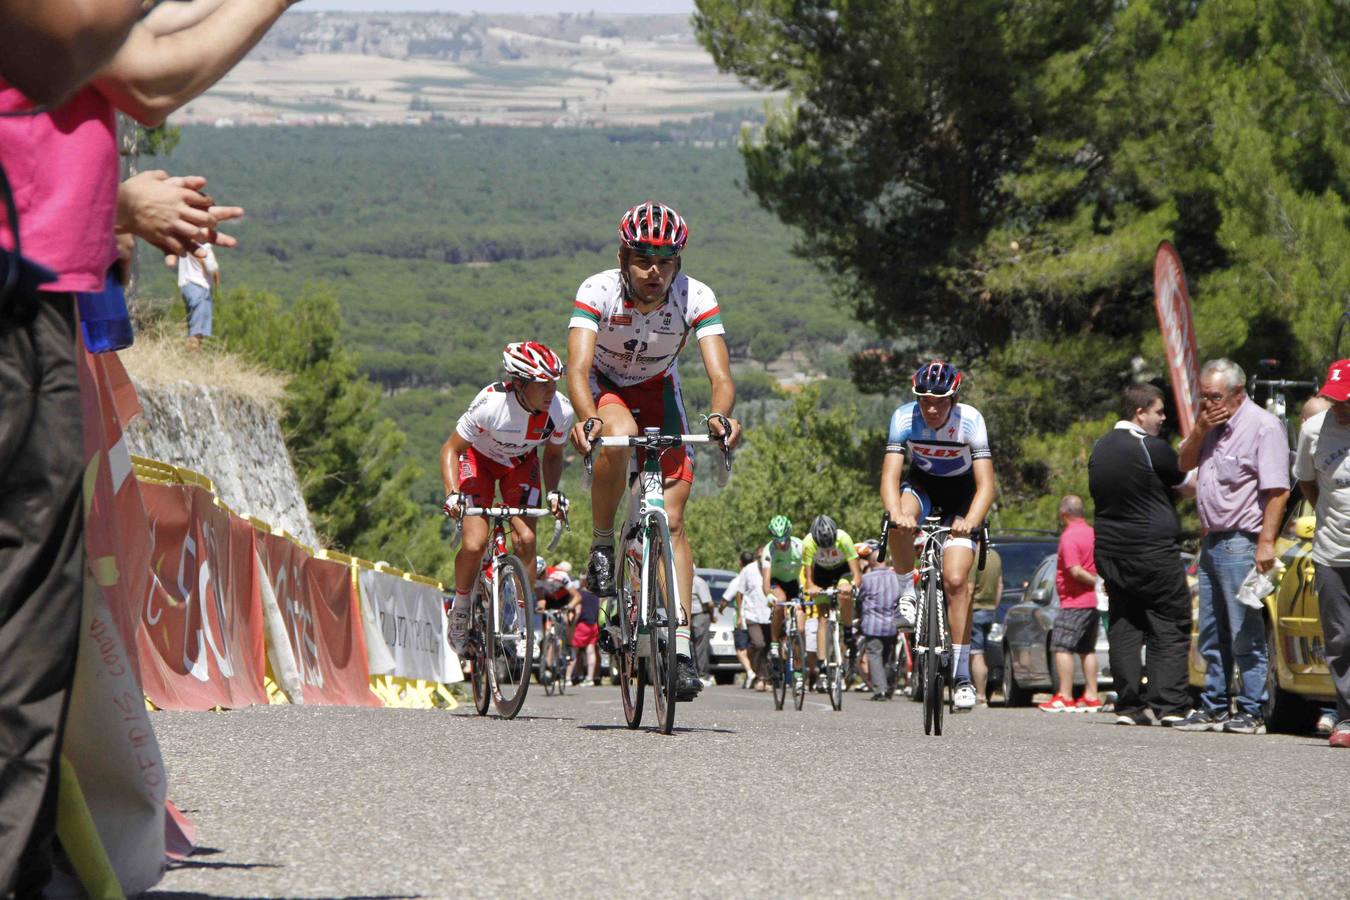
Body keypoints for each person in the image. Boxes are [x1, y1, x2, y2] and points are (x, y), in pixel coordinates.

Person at [0, 3, 291, 892]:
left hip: (46, 285)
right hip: (21, 288)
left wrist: (118, 203)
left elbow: (136, 60)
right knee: (22, 629)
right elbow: (103, 60)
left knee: (35, 627)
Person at [567, 200, 742, 701]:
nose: (654, 271)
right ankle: (603, 542)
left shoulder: (695, 296)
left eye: (665, 261)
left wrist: (719, 416)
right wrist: (589, 419)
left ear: (678, 264)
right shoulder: (597, 290)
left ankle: (682, 649)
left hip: (660, 390)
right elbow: (576, 370)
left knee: (675, 521)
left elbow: (720, 376)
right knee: (618, 436)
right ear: (623, 257)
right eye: (643, 258)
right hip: (606, 388)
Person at [1174, 359, 1290, 735]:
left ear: (1238, 393)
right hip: (1211, 541)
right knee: (1211, 631)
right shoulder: (1208, 426)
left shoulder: (1264, 427)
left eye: (1214, 396)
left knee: (1244, 631)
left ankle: (1252, 708)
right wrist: (1198, 430)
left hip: (1243, 541)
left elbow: (1277, 491)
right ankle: (1215, 705)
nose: (1207, 403)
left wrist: (1266, 543)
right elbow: (1183, 463)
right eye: (1203, 396)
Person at [441, 342, 572, 654]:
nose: (550, 390)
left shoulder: (561, 411)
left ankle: (524, 622)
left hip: (520, 464)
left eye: (554, 382)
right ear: (520, 385)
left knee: (526, 539)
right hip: (478, 463)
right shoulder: (491, 403)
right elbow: (451, 449)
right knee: (474, 543)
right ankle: (461, 606)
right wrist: (452, 494)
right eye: (543, 384)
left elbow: (553, 456)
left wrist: (553, 491)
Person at [881, 360, 997, 712]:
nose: (931, 408)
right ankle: (907, 595)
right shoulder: (903, 418)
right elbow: (889, 477)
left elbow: (987, 485)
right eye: (924, 400)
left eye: (939, 401)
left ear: (953, 399)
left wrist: (971, 521)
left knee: (957, 581)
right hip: (923, 487)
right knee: (899, 516)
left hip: (962, 498)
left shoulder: (971, 420)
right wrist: (898, 514)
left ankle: (961, 676)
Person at [1088, 383, 1193, 726]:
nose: (1163, 419)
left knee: (1125, 624)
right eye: (1159, 412)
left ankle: (1129, 706)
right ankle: (1170, 705)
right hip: (1151, 552)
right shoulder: (1149, 447)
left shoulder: (1100, 448)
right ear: (1140, 413)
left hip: (1110, 553)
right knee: (1169, 621)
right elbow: (1185, 478)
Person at [1293, 360, 1350, 748]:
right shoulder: (1313, 430)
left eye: (1347, 400)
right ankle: (1347, 718)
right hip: (1332, 552)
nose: (1340, 407)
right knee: (1340, 637)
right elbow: (1307, 483)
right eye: (1335, 400)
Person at [1039, 496, 1102, 712]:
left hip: (1075, 601)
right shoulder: (1093, 532)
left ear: (1063, 513)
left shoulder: (1069, 537)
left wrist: (1098, 583)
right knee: (1087, 648)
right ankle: (1092, 695)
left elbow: (1075, 570)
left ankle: (1064, 696)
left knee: (1061, 646)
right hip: (1093, 603)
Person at [800, 514, 862, 689]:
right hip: (821, 574)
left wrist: (852, 585)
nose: (826, 550)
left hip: (842, 571)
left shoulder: (844, 539)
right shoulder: (808, 543)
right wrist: (811, 587)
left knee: (844, 594)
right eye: (823, 547)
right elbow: (808, 577)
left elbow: (856, 575)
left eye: (829, 545)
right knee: (823, 618)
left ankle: (848, 630)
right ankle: (821, 664)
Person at [858, 541, 901, 699]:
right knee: (888, 655)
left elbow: (860, 598)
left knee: (874, 655)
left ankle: (880, 689)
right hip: (891, 624)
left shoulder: (867, 578)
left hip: (872, 624)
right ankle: (888, 686)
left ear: (871, 562)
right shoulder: (896, 577)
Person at [763, 515, 805, 669]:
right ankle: (774, 643)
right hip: (776, 583)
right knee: (779, 602)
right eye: (777, 540)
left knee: (800, 630)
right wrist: (768, 595)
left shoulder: (799, 546)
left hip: (793, 583)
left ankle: (799, 672)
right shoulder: (769, 550)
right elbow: (766, 580)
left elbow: (809, 572)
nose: (781, 544)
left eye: (784, 540)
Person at [726, 549, 771, 690]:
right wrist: (740, 614)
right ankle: (758, 675)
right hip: (752, 615)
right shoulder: (748, 570)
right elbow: (739, 593)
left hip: (770, 615)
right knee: (758, 644)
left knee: (769, 648)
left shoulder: (772, 568)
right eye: (760, 557)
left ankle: (766, 679)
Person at [969, 546, 1002, 705]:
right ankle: (984, 690)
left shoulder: (973, 555)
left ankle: (980, 695)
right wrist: (994, 606)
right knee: (984, 652)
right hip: (990, 609)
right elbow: (1000, 584)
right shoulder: (995, 555)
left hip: (975, 609)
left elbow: (969, 586)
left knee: (976, 654)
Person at [176, 241, 219, 352]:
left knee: (193, 325)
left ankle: (192, 355)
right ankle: (194, 360)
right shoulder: (203, 247)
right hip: (199, 287)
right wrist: (217, 280)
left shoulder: (185, 243)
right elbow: (212, 268)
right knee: (197, 330)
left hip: (186, 287)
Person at [567, 584, 602, 687]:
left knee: (574, 651)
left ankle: (567, 678)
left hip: (582, 625)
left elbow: (577, 610)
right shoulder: (596, 595)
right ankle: (589, 678)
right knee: (590, 651)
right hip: (594, 625)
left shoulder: (580, 594)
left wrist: (571, 623)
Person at [691, 573, 715, 686]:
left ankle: (694, 673)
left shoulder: (681, 580)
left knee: (691, 645)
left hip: (688, 615)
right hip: (699, 615)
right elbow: (709, 603)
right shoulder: (699, 581)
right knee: (701, 646)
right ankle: (703, 675)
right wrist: (713, 615)